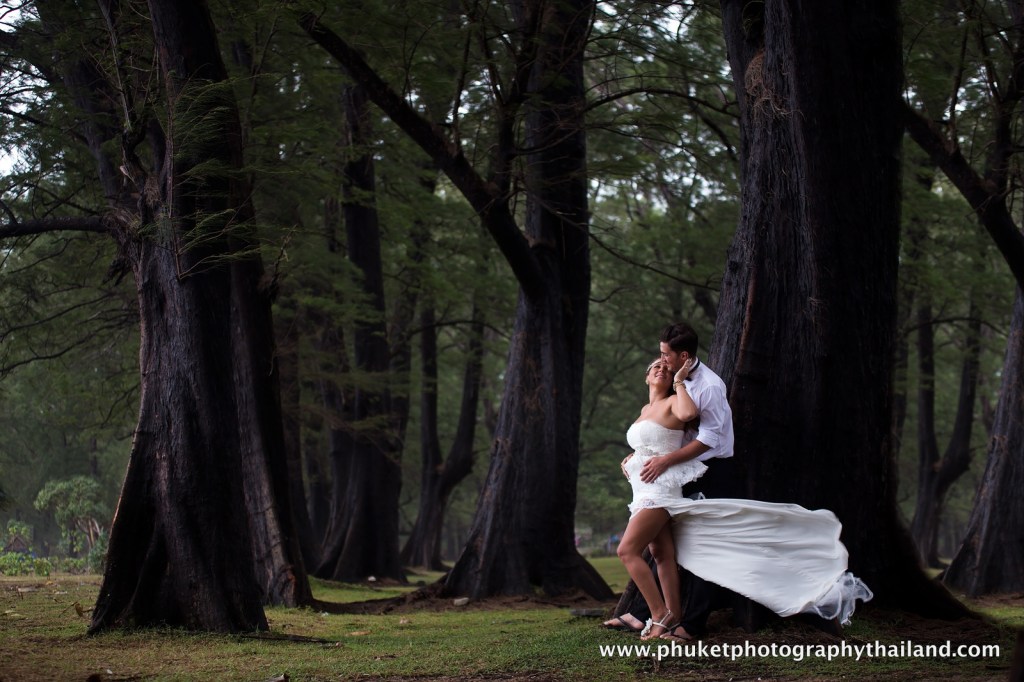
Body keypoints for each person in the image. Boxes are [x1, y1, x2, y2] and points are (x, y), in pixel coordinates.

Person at [607, 323, 872, 640]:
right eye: (658, 359)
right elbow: (656, 438)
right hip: (672, 474)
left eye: (665, 356)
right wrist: (635, 458)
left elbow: (710, 440)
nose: (661, 361)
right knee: (665, 552)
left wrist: (664, 458)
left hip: (709, 469)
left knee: (702, 545)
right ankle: (652, 613)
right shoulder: (655, 400)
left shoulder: (706, 386)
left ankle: (688, 622)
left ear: (684, 356)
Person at [602, 356, 702, 639]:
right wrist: (632, 459)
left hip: (659, 489)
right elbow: (649, 442)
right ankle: (674, 619)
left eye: (667, 368)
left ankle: (659, 614)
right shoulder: (646, 409)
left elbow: (687, 415)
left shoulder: (673, 402)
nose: (661, 369)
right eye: (656, 366)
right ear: (647, 376)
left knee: (626, 551)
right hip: (641, 489)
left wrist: (680, 382)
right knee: (661, 554)